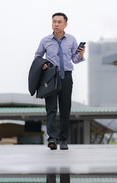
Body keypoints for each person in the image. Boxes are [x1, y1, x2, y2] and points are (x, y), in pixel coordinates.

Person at [35, 12, 85, 150]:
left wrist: (80, 54)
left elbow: (75, 59)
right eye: (54, 22)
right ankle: (52, 139)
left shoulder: (71, 40)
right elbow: (37, 56)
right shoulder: (45, 41)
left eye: (59, 22)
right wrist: (43, 64)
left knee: (65, 109)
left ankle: (63, 140)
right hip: (50, 78)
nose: (56, 24)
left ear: (65, 24)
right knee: (51, 109)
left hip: (66, 77)